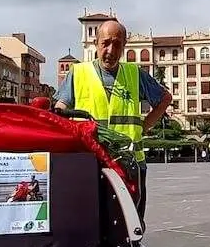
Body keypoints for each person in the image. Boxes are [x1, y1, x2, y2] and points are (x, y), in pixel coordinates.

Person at [54, 19, 172, 219]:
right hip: (90, 162)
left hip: (129, 164)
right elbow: (59, 109)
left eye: (117, 44)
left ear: (124, 46)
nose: (110, 49)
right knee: (90, 223)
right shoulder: (79, 73)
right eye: (105, 43)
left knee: (130, 225)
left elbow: (164, 98)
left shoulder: (135, 74)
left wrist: (144, 127)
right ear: (95, 45)